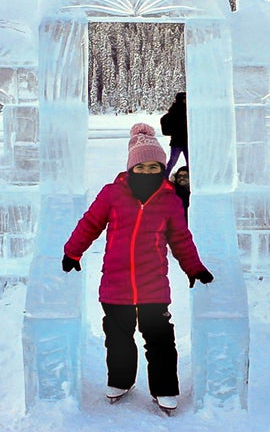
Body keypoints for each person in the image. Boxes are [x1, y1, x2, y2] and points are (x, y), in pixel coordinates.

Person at [62, 123, 213, 412]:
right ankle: (121, 380)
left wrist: (194, 268)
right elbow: (90, 223)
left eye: (153, 167)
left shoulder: (169, 200)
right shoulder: (112, 194)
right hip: (115, 282)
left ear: (162, 168)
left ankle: (164, 388)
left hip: (153, 284)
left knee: (159, 337)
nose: (147, 172)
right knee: (118, 336)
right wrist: (72, 252)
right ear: (131, 168)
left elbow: (181, 239)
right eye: (140, 167)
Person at [160, 92, 188, 177]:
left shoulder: (178, 109)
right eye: (184, 99)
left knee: (187, 162)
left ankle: (189, 179)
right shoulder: (175, 110)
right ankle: (164, 178)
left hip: (183, 141)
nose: (186, 101)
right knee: (172, 162)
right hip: (178, 142)